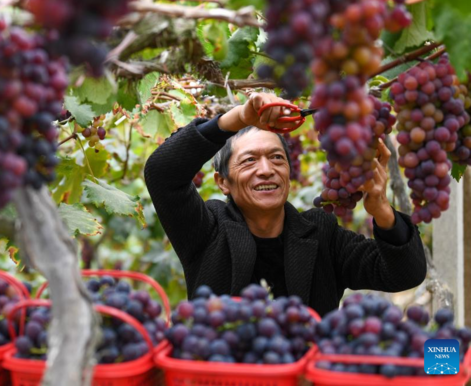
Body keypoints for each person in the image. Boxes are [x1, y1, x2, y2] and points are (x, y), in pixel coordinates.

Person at [144, 92, 426, 316]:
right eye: (249, 160)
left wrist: (382, 211)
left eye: (277, 158)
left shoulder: (322, 234)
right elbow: (162, 173)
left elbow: (404, 274)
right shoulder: (206, 230)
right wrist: (239, 117)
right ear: (223, 182)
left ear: (289, 173)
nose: (266, 169)